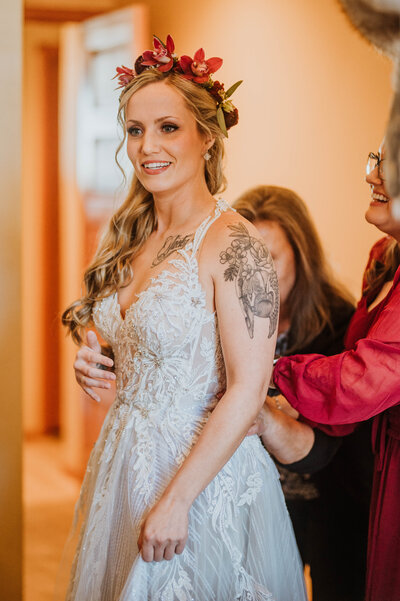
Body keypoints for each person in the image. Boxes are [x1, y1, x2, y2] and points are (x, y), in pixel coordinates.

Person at [61, 35, 307, 601]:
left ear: (208, 136)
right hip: (124, 464)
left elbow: (248, 389)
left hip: (202, 481)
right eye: (135, 129)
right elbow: (146, 341)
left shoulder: (235, 244)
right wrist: (94, 357)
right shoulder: (132, 232)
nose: (148, 145)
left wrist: (177, 499)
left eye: (168, 127)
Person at [264, 145, 400, 601]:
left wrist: (267, 374)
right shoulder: (385, 256)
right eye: (375, 156)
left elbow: (359, 381)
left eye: (389, 161)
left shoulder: (328, 316)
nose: (371, 175)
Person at [233, 186, 371, 601]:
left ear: (302, 255)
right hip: (252, 501)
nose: (254, 277)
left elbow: (323, 447)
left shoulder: (338, 322)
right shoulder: (227, 318)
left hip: (329, 500)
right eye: (244, 262)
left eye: (269, 260)